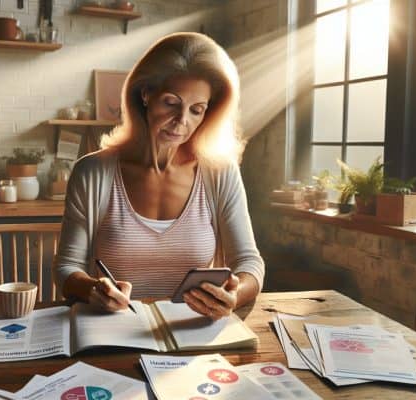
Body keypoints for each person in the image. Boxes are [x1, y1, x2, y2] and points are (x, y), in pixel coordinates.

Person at [55, 32, 264, 320]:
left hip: (192, 336)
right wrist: (93, 289)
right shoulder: (92, 172)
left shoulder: (219, 172)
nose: (182, 121)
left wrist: (233, 295)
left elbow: (249, 263)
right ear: (145, 94)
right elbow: (66, 267)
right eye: (170, 102)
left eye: (197, 110)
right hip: (112, 335)